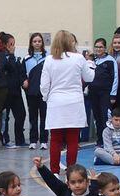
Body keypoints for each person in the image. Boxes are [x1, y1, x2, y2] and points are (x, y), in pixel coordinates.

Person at [39, 30, 94, 171]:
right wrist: (91, 64)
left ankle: (55, 172)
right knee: (72, 140)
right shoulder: (79, 58)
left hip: (56, 102)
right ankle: (71, 172)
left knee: (56, 139)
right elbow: (89, 78)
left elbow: (44, 85)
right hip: (74, 102)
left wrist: (47, 98)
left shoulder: (49, 60)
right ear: (71, 42)